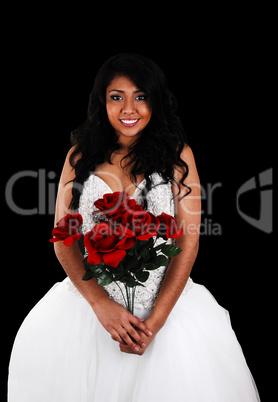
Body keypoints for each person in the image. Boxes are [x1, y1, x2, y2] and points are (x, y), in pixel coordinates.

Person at [8, 53, 260, 401]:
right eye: (117, 97)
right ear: (102, 101)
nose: (129, 108)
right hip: (91, 313)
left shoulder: (177, 155)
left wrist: (154, 324)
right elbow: (63, 239)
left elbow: (187, 244)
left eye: (140, 96)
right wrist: (101, 305)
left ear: (154, 100)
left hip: (165, 313)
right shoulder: (79, 156)